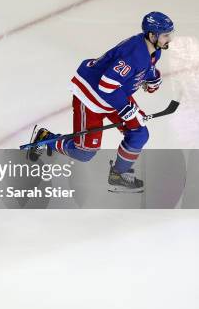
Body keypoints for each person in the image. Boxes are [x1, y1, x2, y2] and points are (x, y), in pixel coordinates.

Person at [28, 12, 175, 193]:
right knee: (83, 153)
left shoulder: (153, 49)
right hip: (91, 96)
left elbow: (146, 67)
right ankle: (45, 138)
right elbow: (106, 85)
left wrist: (152, 77)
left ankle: (118, 175)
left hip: (114, 96)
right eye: (166, 35)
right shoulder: (134, 54)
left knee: (138, 133)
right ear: (152, 35)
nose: (170, 38)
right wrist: (127, 109)